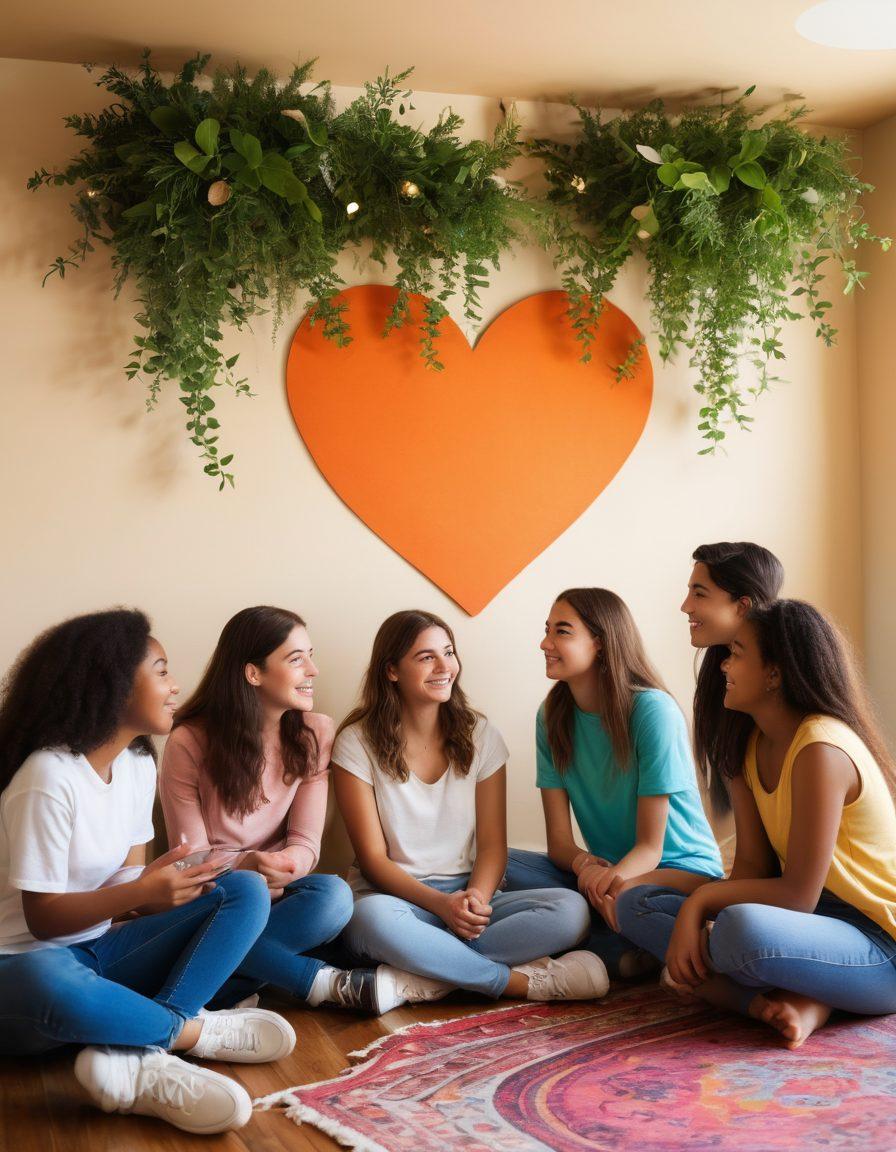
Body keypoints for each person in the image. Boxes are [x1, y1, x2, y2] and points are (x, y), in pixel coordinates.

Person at [0, 610, 296, 1135]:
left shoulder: (137, 764)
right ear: (111, 685)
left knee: (243, 890)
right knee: (49, 976)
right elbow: (42, 920)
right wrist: (138, 892)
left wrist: (163, 895)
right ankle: (189, 1033)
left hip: (98, 952)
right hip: (21, 968)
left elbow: (123, 892)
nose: (175, 684)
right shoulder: (47, 776)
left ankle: (139, 1055)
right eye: (161, 670)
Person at [618, 600, 896, 1049]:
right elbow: (750, 866)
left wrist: (700, 907)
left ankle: (804, 996)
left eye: (738, 653)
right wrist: (698, 912)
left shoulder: (821, 749)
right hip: (807, 927)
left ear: (774, 674)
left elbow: (797, 895)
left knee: (740, 932)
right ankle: (770, 1003)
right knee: (636, 903)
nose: (724, 664)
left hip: (879, 946)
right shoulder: (751, 747)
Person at [333, 609, 607, 1011]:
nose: (445, 667)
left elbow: (493, 846)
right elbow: (373, 861)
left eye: (449, 652)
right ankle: (517, 983)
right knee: (368, 920)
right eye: (426, 657)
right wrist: (441, 906)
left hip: (468, 895)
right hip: (395, 899)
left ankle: (427, 976)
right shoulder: (355, 743)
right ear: (391, 670)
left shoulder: (482, 736)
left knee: (571, 910)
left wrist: (474, 901)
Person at [162, 605, 381, 1013]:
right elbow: (189, 860)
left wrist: (284, 865)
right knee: (240, 900)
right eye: (296, 659)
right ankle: (319, 982)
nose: (313, 669)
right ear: (253, 673)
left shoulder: (315, 732)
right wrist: (248, 869)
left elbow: (305, 842)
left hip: (281, 888)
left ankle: (214, 984)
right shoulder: (188, 742)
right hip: (219, 895)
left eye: (309, 656)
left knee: (333, 896)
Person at [504, 588, 723, 978]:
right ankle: (627, 950)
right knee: (497, 863)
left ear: (601, 644)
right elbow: (559, 842)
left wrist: (608, 883)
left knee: (626, 903)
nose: (545, 643)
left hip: (680, 868)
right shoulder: (551, 716)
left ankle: (619, 946)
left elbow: (651, 848)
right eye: (547, 630)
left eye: (562, 632)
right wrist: (586, 866)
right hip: (609, 872)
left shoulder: (652, 711)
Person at [682, 542, 784, 813]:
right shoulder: (721, 685)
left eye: (699, 594)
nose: (685, 606)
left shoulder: (804, 732)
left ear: (743, 606)